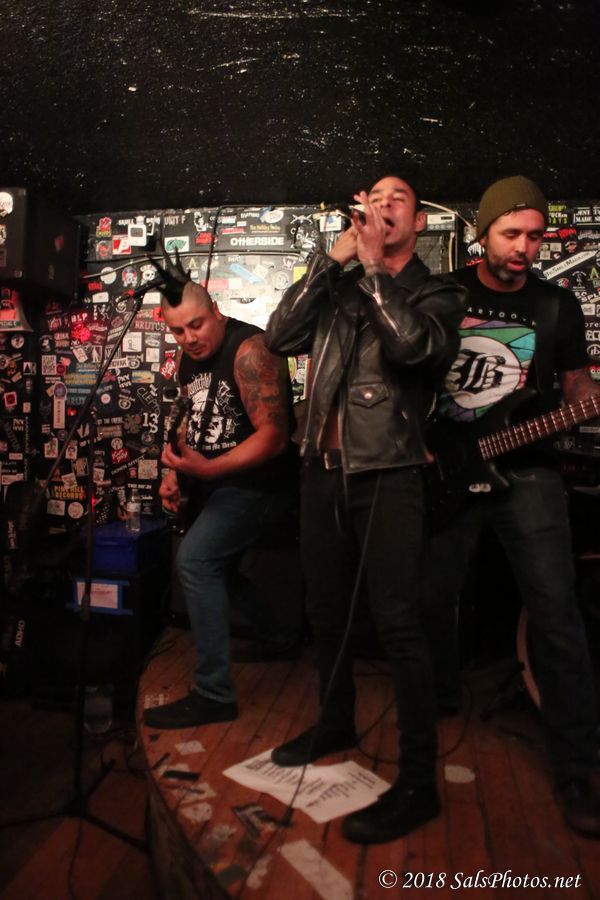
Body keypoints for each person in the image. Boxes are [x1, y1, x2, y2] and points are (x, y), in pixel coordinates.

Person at [264, 175, 465, 844]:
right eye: (373, 197)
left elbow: (412, 348)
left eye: (397, 198)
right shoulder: (341, 287)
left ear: (419, 221)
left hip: (389, 471)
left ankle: (417, 781)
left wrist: (376, 269)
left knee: (399, 624)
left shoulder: (438, 291)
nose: (381, 205)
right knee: (325, 612)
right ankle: (335, 721)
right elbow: (279, 336)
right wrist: (335, 260)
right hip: (320, 472)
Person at [421, 175, 600, 838]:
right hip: (443, 465)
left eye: (534, 235)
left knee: (555, 613)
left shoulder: (557, 306)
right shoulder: (444, 294)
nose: (523, 246)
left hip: (526, 470)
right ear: (483, 233)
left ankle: (577, 767)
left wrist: (588, 399)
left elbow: (577, 386)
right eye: (510, 233)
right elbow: (408, 377)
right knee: (433, 597)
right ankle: (437, 702)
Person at [143, 252, 298, 730]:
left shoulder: (250, 349)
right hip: (218, 484)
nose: (190, 338)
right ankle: (280, 637)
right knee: (218, 568)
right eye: (178, 331)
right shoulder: (189, 361)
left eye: (196, 325)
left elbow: (274, 437)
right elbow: (191, 420)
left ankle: (214, 694)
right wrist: (176, 472)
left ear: (216, 310)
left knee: (194, 561)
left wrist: (208, 471)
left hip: (261, 486)